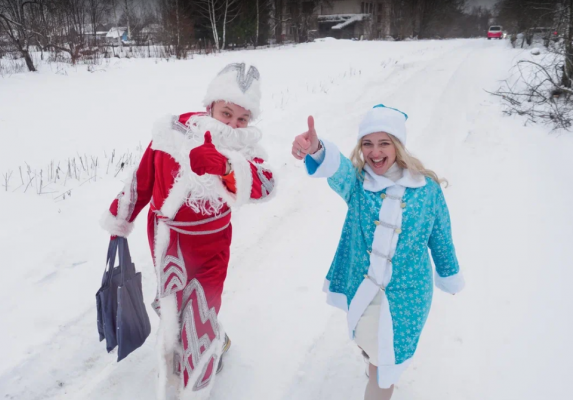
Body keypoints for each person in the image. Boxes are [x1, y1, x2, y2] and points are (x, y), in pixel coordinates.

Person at [100, 62, 275, 400]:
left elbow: (266, 185)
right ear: (210, 105)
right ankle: (187, 345)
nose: (234, 124)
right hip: (168, 240)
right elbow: (141, 181)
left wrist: (225, 166)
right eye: (227, 113)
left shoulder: (243, 147)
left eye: (243, 119)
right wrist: (120, 221)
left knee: (203, 311)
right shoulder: (172, 133)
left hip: (213, 243)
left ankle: (202, 369)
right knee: (172, 306)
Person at [291, 105, 464, 400]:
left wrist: (449, 273)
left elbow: (441, 237)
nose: (375, 152)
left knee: (385, 368)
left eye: (384, 143)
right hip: (363, 286)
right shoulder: (359, 184)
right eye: (367, 144)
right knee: (369, 345)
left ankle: (377, 371)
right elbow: (335, 166)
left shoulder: (427, 189)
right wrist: (316, 148)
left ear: (398, 145)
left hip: (407, 296)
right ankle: (372, 358)